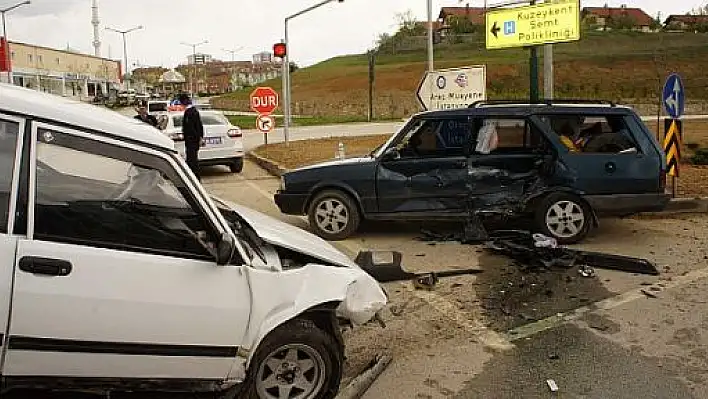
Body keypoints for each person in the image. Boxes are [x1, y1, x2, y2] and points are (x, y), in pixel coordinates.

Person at [178, 93, 205, 180]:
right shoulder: (193, 111)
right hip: (192, 140)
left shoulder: (190, 112)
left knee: (192, 161)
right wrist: (200, 137)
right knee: (192, 160)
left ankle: (195, 178)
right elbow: (199, 125)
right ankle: (194, 178)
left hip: (192, 141)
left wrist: (198, 138)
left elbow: (192, 127)